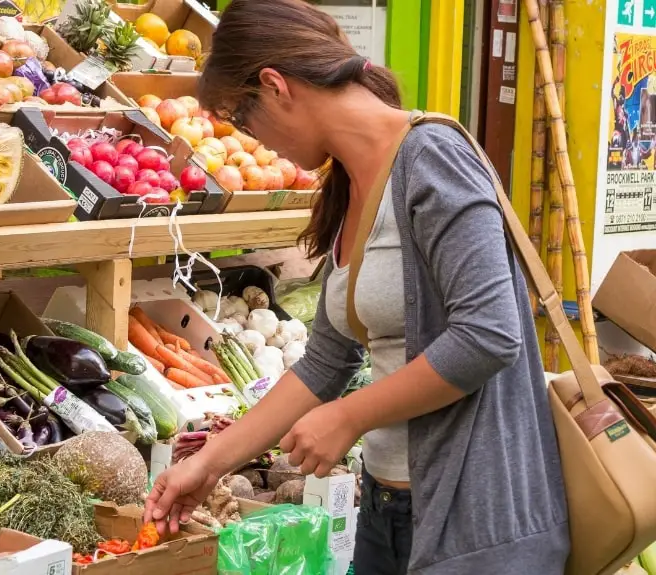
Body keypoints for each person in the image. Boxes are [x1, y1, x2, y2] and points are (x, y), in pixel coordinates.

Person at [143, 1, 570, 574]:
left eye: (244, 123)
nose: (259, 144)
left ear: (274, 86)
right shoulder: (350, 185)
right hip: (388, 512)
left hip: (475, 524)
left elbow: (489, 334)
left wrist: (350, 417)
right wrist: (209, 464)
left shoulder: (433, 160)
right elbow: (323, 363)